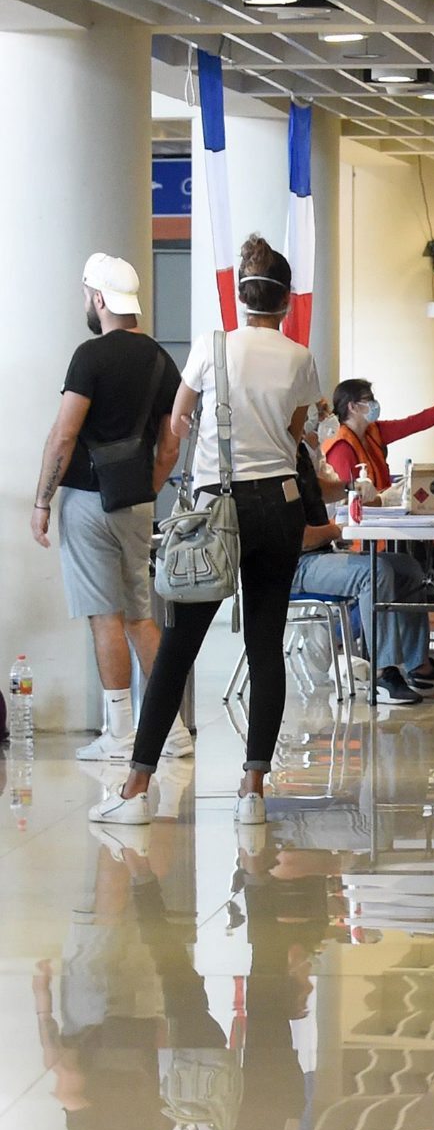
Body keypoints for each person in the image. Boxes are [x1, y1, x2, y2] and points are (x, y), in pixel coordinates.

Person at [90, 236, 320, 828]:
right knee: (265, 646)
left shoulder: (211, 348)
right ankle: (253, 792)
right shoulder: (299, 358)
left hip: (217, 510)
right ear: (286, 301)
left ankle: (137, 788)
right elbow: (297, 433)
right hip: (282, 505)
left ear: (239, 296)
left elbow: (178, 418)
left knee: (179, 646)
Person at [31, 254, 188, 764]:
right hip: (137, 502)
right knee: (141, 616)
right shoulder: (163, 360)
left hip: (89, 500)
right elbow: (171, 445)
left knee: (105, 617)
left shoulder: (90, 356)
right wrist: (147, 486)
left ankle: (120, 732)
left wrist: (42, 501)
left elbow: (64, 434)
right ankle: (175, 731)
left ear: (98, 298)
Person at [292, 443, 434, 706]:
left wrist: (352, 487)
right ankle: (382, 672)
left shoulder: (298, 447)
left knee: (407, 568)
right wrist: (338, 529)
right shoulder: (272, 456)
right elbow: (299, 539)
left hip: (320, 551)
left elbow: (317, 488)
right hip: (294, 565)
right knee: (375, 572)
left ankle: (420, 667)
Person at [322, 376, 434, 491]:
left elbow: (416, 422)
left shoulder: (374, 432)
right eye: (368, 399)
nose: (374, 404)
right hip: (358, 533)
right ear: (352, 407)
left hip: (381, 520)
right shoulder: (341, 446)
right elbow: (345, 498)